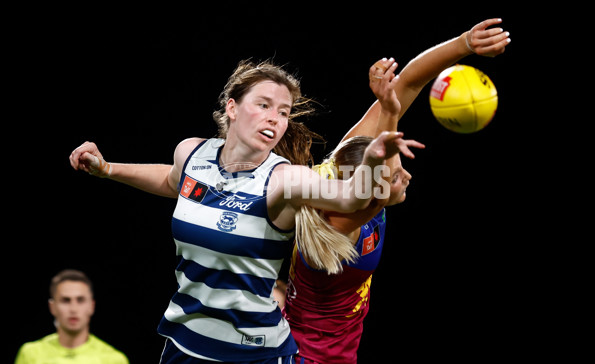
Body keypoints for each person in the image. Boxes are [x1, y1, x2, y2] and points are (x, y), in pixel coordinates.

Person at [69, 59, 408, 363]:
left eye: (284, 112)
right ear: (232, 107)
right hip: (184, 345)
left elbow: (356, 198)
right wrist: (108, 168)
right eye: (264, 105)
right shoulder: (193, 153)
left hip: (254, 355)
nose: (274, 118)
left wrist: (383, 136)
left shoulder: (285, 180)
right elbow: (173, 181)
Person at [277, 18, 511, 364]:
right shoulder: (341, 219)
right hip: (312, 359)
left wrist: (465, 43)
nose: (408, 177)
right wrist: (388, 111)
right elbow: (378, 183)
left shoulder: (341, 163)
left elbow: (411, 82)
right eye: (398, 172)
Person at [14, 269, 129, 364]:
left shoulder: (113, 359)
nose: (73, 309)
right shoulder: (30, 354)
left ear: (91, 306)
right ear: (52, 307)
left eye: (80, 300)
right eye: (65, 300)